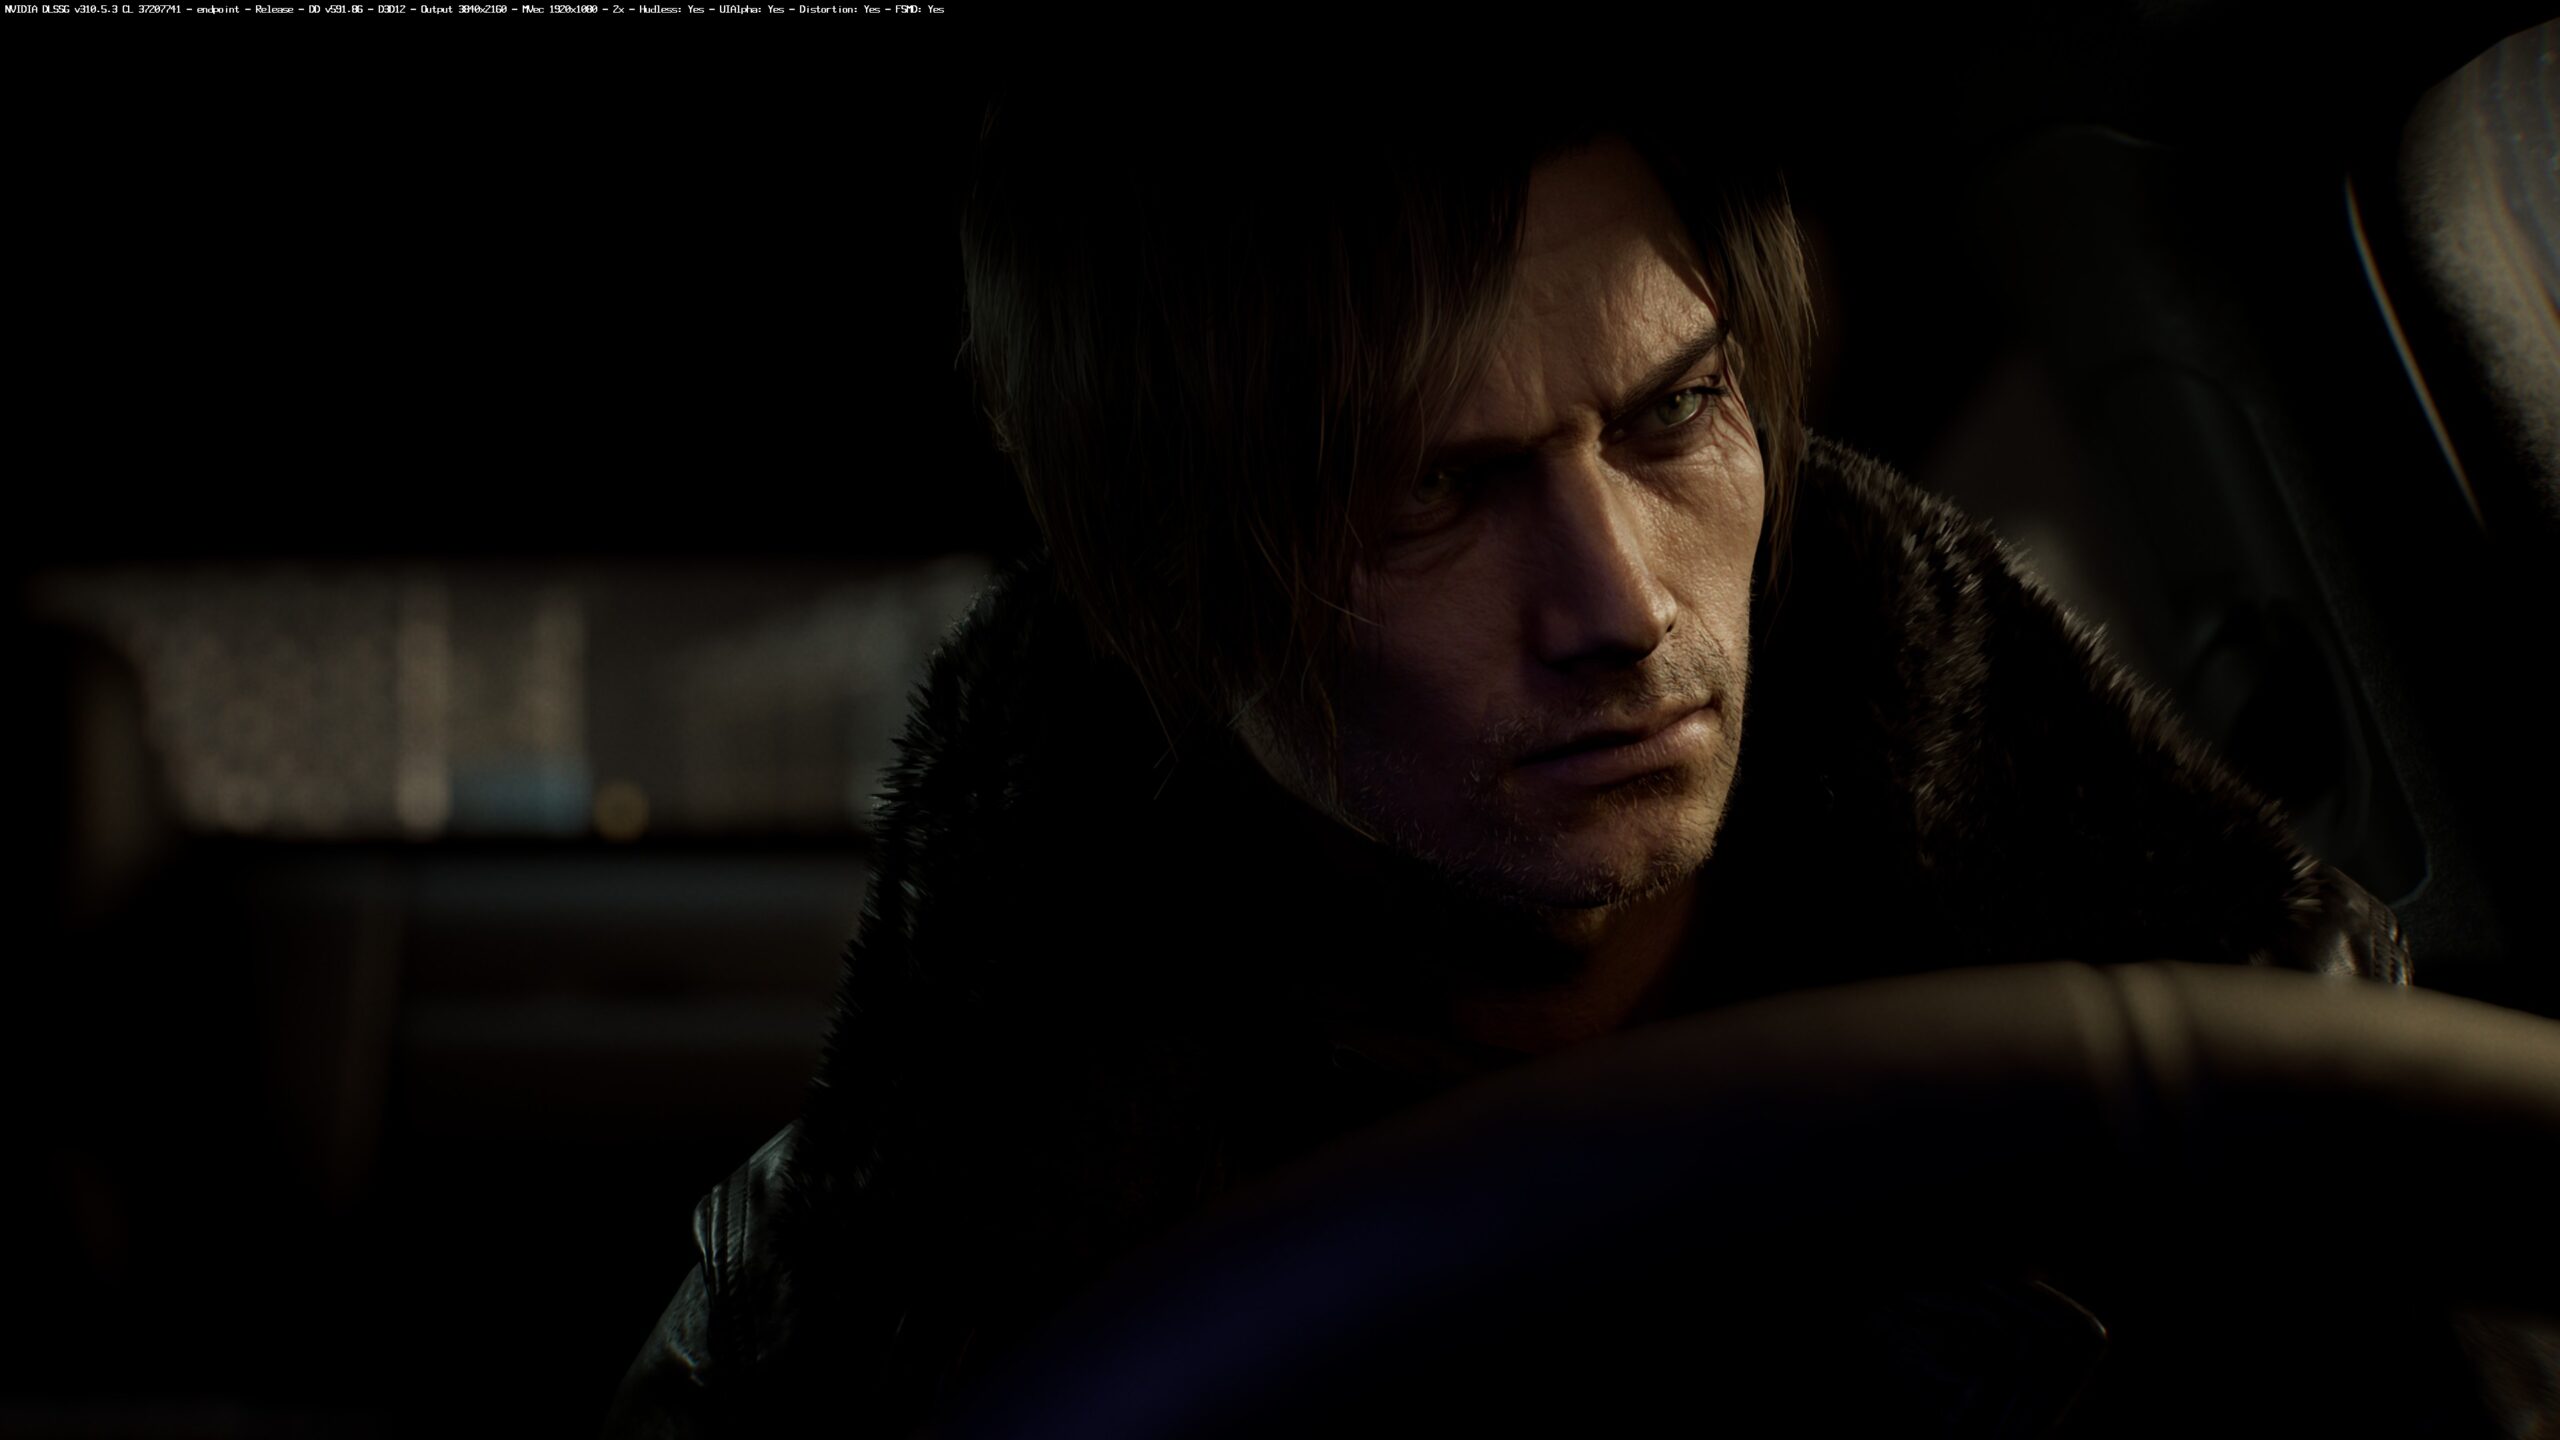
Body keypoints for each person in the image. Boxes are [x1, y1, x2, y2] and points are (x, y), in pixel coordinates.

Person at [603, 85, 2426, 1437]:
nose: (1618, 605)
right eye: (1432, 490)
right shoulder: (873, 1314)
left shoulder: (2251, 1063)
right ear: (1161, 581)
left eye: (1675, 411)